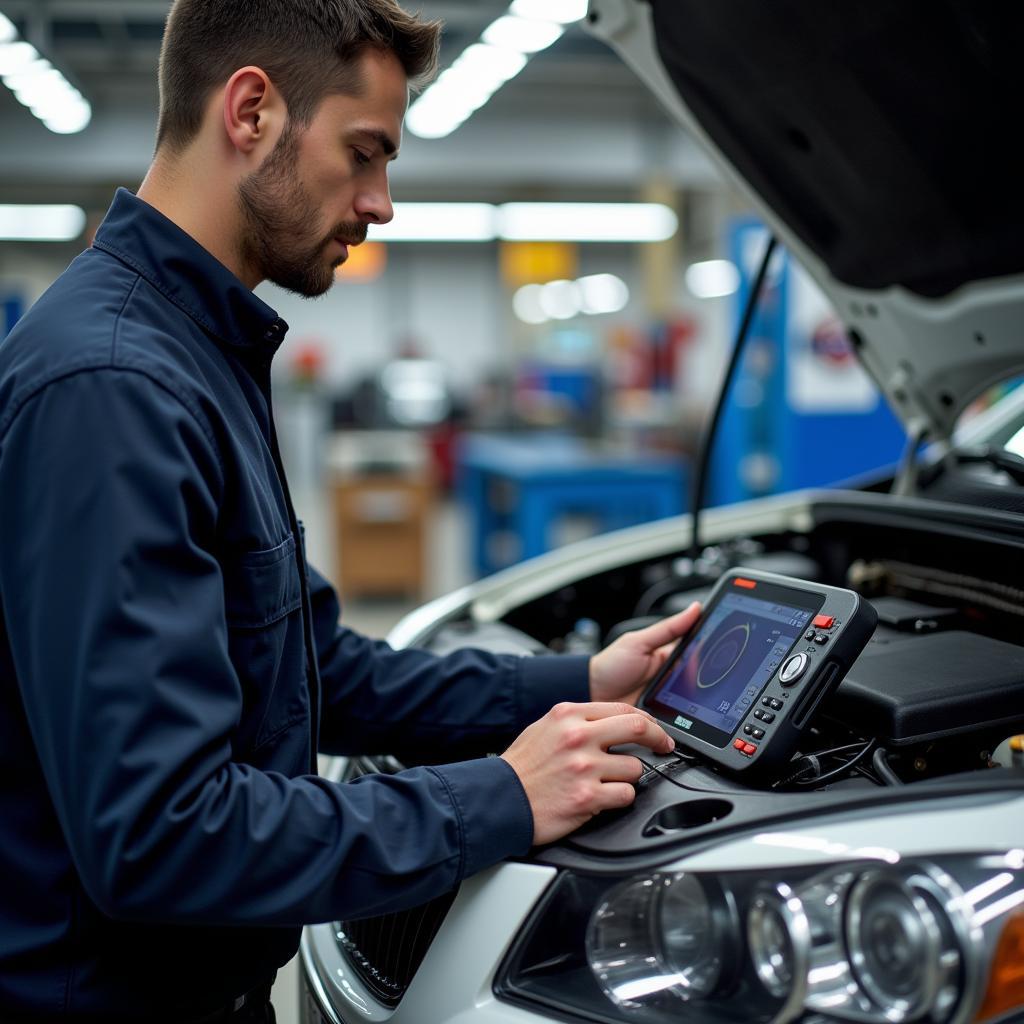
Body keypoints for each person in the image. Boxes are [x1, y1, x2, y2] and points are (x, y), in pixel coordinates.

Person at [0, 1, 700, 1020]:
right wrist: (496, 799)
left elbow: (311, 669)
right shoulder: (115, 384)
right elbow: (159, 833)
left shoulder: (196, 352)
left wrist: (580, 678)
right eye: (364, 152)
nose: (381, 203)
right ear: (250, 111)